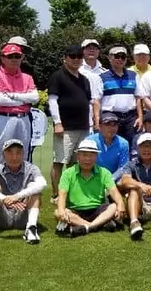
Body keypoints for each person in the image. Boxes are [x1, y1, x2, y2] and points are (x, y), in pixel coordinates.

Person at [0, 140, 46, 248]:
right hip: (2, 216)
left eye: (18, 152)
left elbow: (42, 183)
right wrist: (4, 199)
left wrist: (17, 196)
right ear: (3, 155)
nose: (14, 157)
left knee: (34, 186)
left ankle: (31, 228)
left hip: (23, 213)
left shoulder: (31, 168)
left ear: (23, 154)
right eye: (10, 152)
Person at [47, 45, 93, 204]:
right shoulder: (58, 76)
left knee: (76, 162)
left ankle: (71, 191)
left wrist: (91, 125)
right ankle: (55, 194)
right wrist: (57, 123)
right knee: (59, 161)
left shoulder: (84, 79)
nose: (76, 59)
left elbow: (88, 103)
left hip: (83, 127)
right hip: (65, 127)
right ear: (65, 58)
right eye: (72, 56)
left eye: (79, 56)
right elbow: (52, 101)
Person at [55, 139, 126, 237]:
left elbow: (114, 192)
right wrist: (61, 211)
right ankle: (97, 225)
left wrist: (121, 204)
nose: (87, 159)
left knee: (113, 206)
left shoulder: (104, 172)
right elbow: (62, 195)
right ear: (78, 156)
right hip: (75, 210)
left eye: (91, 155)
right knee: (58, 212)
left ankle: (85, 227)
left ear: (96, 156)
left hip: (97, 209)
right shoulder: (68, 173)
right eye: (84, 155)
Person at [0, 44, 37, 166]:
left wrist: (12, 96)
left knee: (23, 154)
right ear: (3, 58)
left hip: (24, 119)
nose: (14, 59)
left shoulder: (27, 77)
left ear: (22, 57)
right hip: (3, 118)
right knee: (0, 153)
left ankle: (21, 184)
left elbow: (34, 98)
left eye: (17, 56)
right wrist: (24, 99)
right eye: (10, 56)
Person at [99, 46, 140, 146]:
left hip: (130, 116)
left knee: (133, 143)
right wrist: (97, 119)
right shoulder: (102, 77)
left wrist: (140, 117)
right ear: (109, 58)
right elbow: (97, 100)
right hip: (110, 116)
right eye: (117, 56)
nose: (120, 59)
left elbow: (138, 97)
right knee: (111, 143)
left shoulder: (133, 75)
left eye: (123, 57)